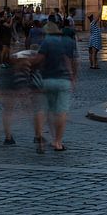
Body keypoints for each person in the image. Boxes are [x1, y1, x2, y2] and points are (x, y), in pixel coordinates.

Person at [33, 22, 77, 152]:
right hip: (64, 80)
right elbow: (74, 61)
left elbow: (38, 60)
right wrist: (73, 76)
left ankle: (40, 138)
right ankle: (58, 142)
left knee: (43, 110)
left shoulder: (46, 42)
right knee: (61, 112)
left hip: (47, 79)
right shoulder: (69, 42)